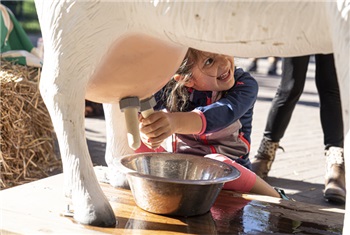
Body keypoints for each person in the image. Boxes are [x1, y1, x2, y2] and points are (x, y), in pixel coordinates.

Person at [137, 48, 286, 199]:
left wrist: (174, 122)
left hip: (230, 171)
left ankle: (277, 198)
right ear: (186, 79)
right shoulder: (170, 88)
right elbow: (142, 105)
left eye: (222, 50)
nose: (224, 62)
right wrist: (148, 130)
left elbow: (220, 114)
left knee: (216, 163)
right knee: (135, 144)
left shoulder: (245, 85)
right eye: (209, 61)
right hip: (184, 168)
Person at [251, 54, 345, 203]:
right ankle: (265, 155)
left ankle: (336, 165)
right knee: (289, 87)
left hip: (329, 32)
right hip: (299, 30)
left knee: (331, 87)